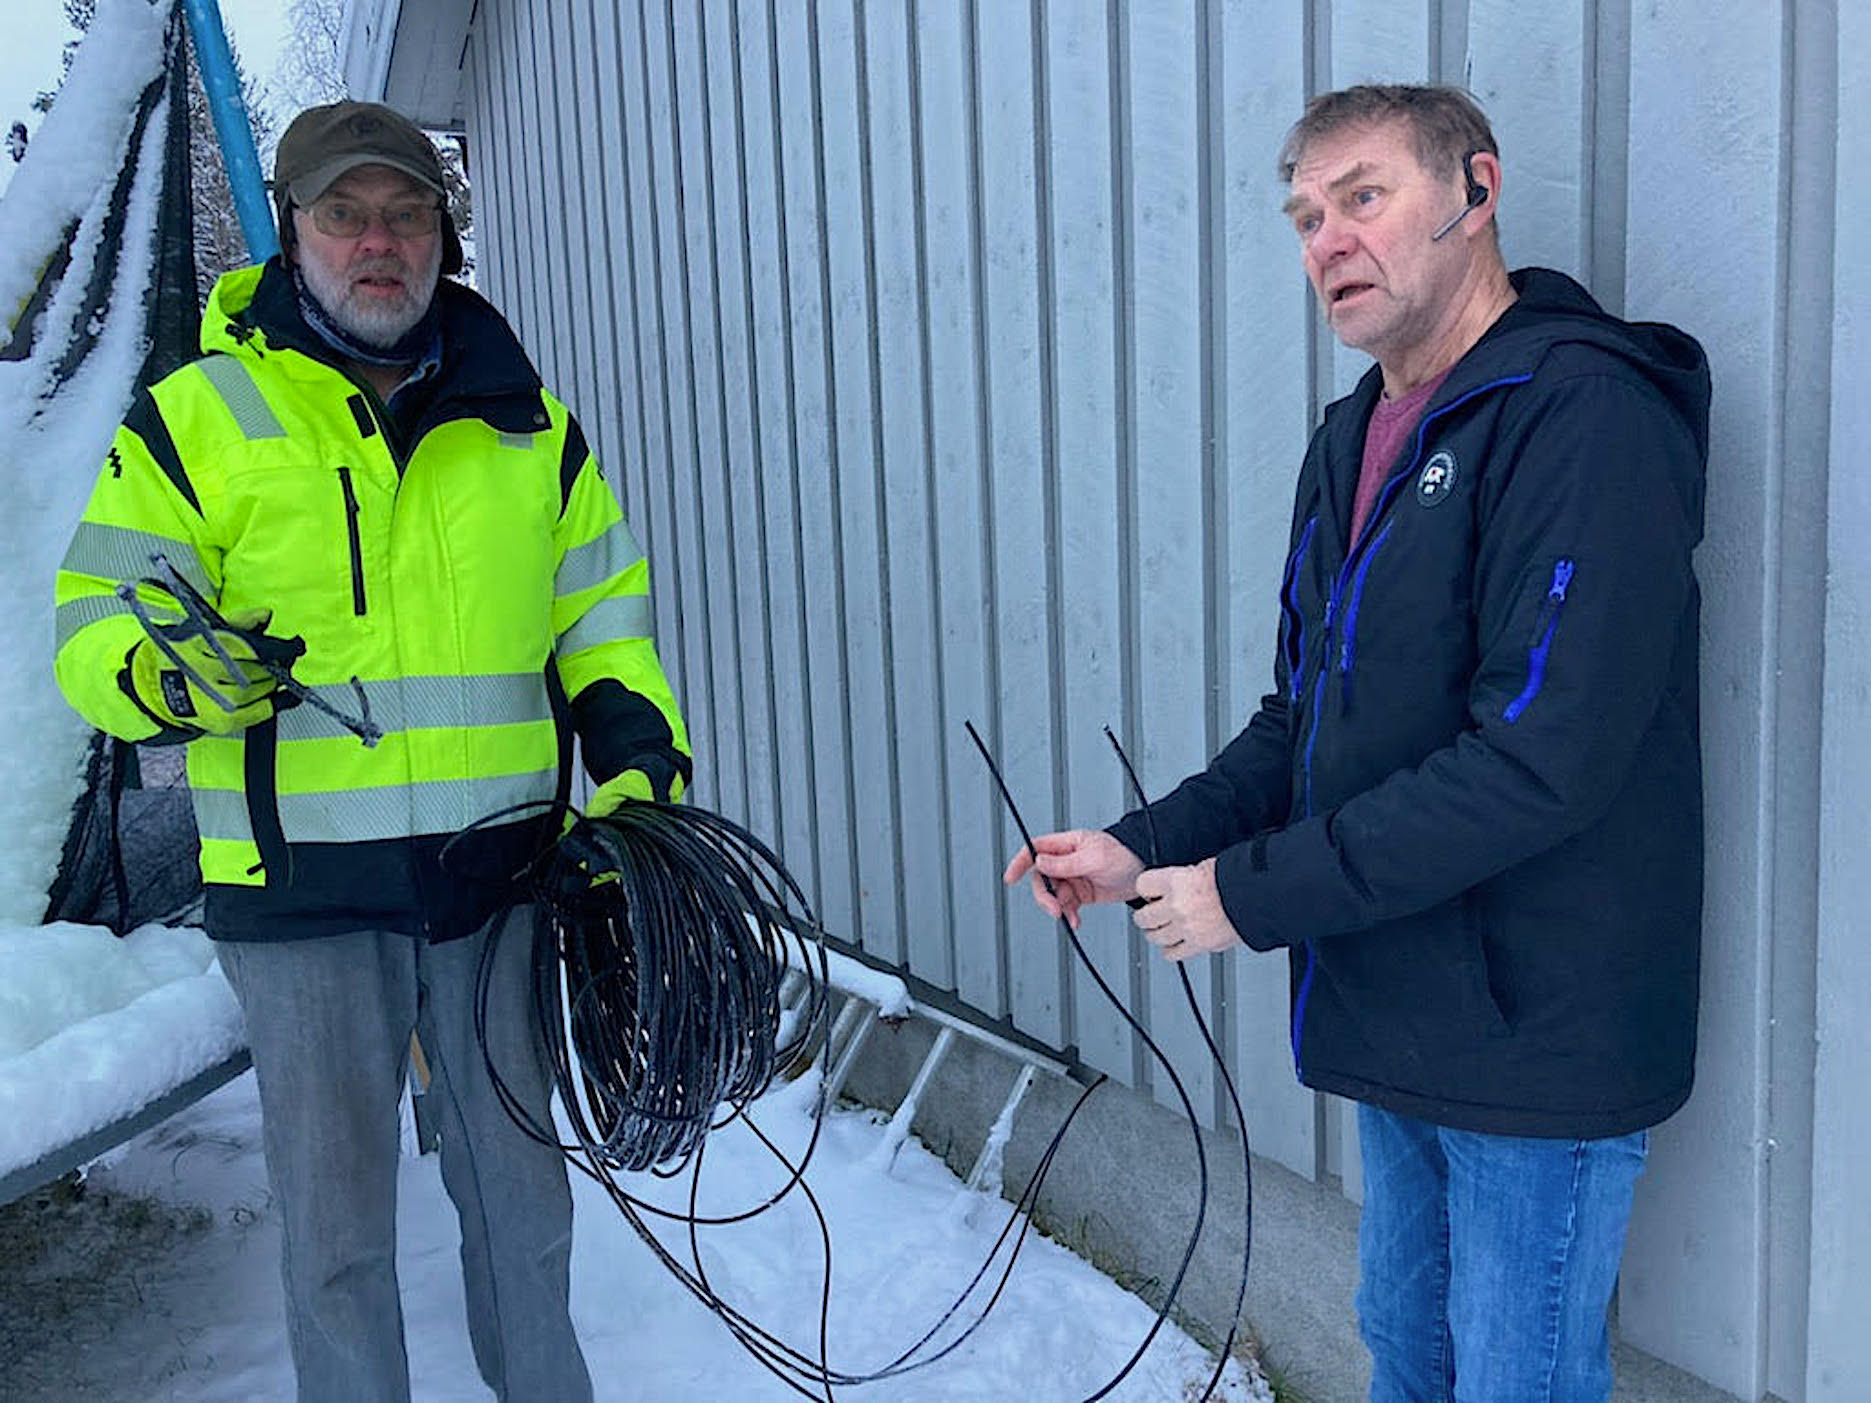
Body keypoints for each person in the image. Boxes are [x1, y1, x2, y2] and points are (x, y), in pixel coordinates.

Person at [1006, 84, 1708, 1402]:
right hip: (1399, 1000)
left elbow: (1540, 757)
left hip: (1535, 1032)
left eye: (1363, 197)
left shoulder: (1584, 416)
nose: (1327, 238)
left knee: (1514, 1380)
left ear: (1476, 192)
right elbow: (1305, 721)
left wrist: (1248, 894)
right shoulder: (1354, 438)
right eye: (1304, 216)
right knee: (1407, 1350)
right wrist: (1143, 846)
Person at [52, 101, 690, 1403]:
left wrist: (637, 780)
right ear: (293, 233)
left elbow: (603, 627)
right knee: (337, 1235)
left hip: (499, 886)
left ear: (442, 236)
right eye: (344, 213)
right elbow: (93, 624)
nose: (377, 241)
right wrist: (166, 677)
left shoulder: (528, 424)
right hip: (304, 899)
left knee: (522, 1204)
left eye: (404, 214)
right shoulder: (198, 418)